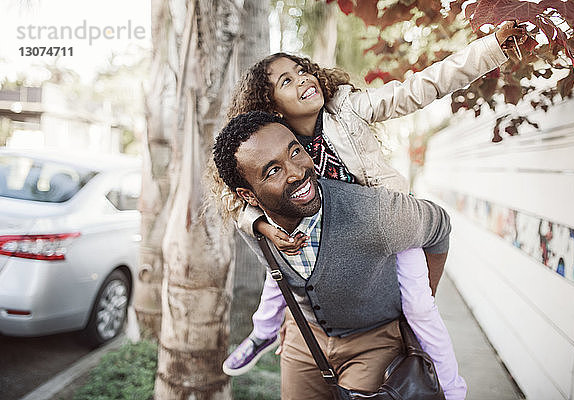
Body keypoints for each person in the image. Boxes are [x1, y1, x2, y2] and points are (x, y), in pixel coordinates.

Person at [221, 20, 527, 379]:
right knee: (279, 277)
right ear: (271, 107)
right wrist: (262, 226)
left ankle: (451, 386)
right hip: (320, 236)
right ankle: (262, 333)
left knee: (421, 310)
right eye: (286, 81)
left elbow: (423, 86)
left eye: (302, 71)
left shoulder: (349, 108)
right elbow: (241, 201)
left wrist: (492, 48)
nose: (303, 79)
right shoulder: (277, 147)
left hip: (384, 223)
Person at [214, 111, 466, 399]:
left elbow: (440, 225)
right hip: (304, 338)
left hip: (374, 341)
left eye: (295, 151)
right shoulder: (253, 227)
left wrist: (422, 298)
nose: (296, 172)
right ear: (249, 196)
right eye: (273, 171)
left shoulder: (376, 214)